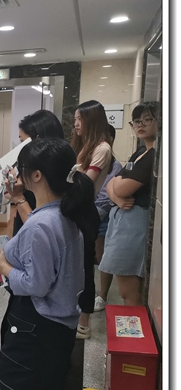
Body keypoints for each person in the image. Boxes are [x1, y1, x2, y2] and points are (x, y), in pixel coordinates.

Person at [0, 137, 94, 390]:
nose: (16, 175)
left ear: (36, 175)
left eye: (21, 169)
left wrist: (3, 267)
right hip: (58, 324)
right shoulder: (65, 214)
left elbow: (36, 284)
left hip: (37, 327)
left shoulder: (41, 225)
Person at [98, 102, 158, 306]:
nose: (140, 125)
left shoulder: (154, 156)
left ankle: (134, 325)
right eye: (137, 121)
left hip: (135, 223)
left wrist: (117, 191)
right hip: (123, 219)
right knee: (126, 283)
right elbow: (112, 184)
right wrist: (116, 197)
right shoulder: (140, 152)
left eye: (147, 120)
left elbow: (121, 187)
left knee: (129, 288)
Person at [70, 100, 113, 339]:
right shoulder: (84, 146)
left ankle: (84, 322)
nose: (76, 124)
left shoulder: (102, 149)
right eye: (75, 119)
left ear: (92, 120)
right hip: (75, 209)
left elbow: (84, 185)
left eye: (80, 119)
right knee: (72, 266)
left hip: (85, 212)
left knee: (85, 268)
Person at [93, 125, 123, 312]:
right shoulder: (91, 159)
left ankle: (102, 296)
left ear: (111, 139)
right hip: (87, 212)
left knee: (101, 256)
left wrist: (92, 214)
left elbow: (106, 196)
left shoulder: (115, 165)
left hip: (101, 216)